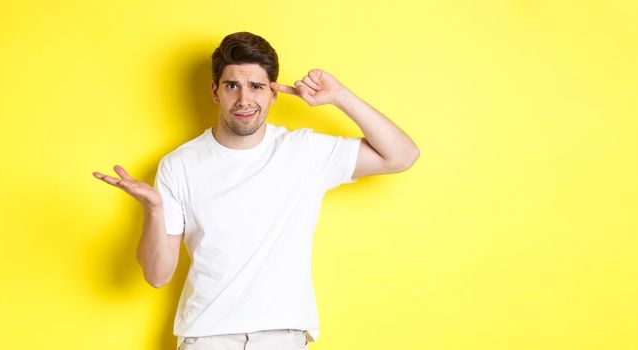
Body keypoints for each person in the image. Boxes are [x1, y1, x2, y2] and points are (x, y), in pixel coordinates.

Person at [93, 31, 419, 350]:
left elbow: (402, 155)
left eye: (256, 86)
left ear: (273, 93)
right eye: (232, 85)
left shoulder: (304, 151)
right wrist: (153, 211)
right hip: (208, 338)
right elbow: (157, 275)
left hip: (283, 337)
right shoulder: (179, 164)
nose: (244, 99)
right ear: (214, 91)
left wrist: (339, 96)